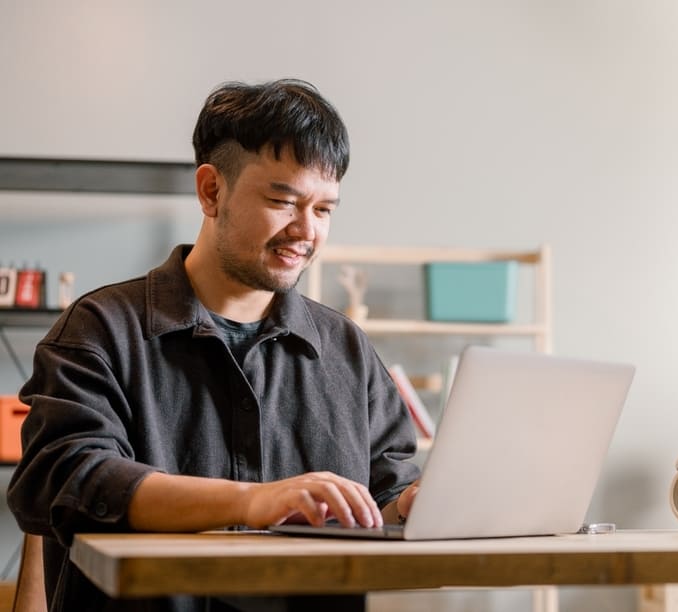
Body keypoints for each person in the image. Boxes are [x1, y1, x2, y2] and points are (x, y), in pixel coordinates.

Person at [7, 79, 421, 612]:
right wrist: (255, 501)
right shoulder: (99, 329)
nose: (306, 231)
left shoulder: (346, 349)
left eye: (324, 211)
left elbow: (384, 497)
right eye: (283, 201)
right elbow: (68, 478)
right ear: (211, 190)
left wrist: (413, 505)